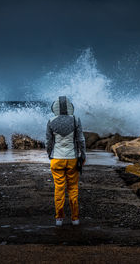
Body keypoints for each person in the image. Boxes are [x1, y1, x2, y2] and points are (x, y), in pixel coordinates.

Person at [46, 96, 86, 226]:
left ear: (55, 108)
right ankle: (75, 219)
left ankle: (59, 218)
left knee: (59, 189)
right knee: (73, 189)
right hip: (72, 159)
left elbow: (49, 142)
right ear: (70, 107)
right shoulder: (75, 120)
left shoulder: (51, 121)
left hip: (56, 159)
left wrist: (49, 154)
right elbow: (81, 140)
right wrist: (83, 155)